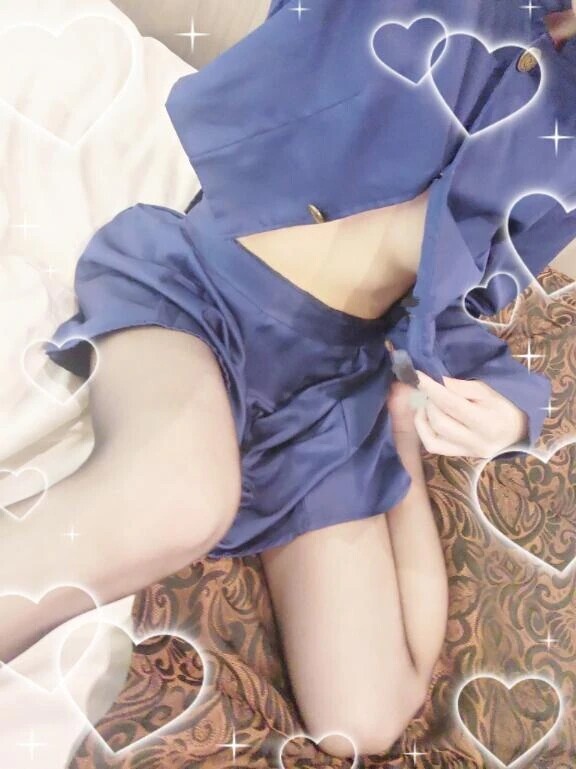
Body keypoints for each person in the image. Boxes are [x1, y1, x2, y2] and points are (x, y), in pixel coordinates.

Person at [3, 0, 576, 760]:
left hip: (333, 382)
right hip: (207, 288)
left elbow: (467, 290)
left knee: (365, 718)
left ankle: (398, 431)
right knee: (183, 499)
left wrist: (508, 412)